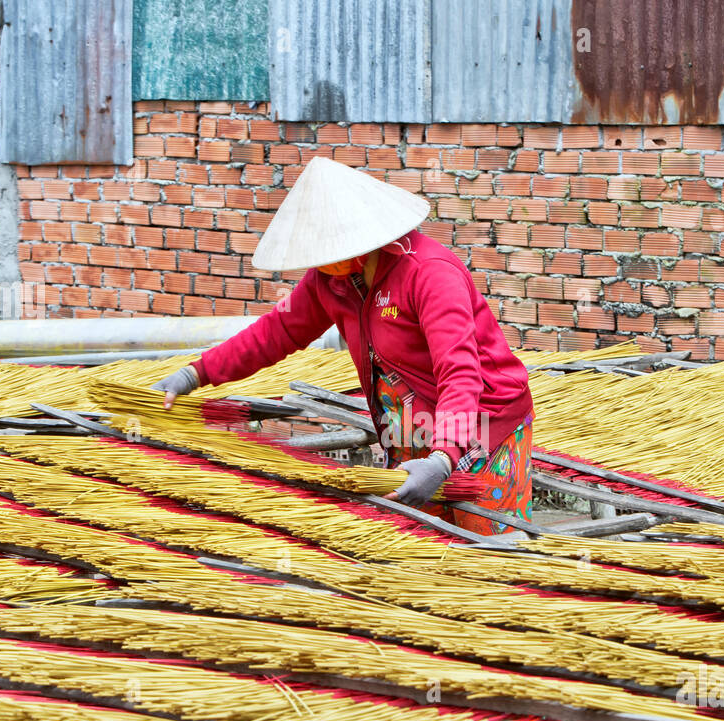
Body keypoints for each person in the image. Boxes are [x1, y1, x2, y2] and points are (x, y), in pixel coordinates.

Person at [151, 156, 534, 535]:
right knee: (424, 544)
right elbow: (276, 331)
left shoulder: (429, 274)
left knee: (489, 550)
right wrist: (195, 373)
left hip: (482, 426)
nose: (318, 260)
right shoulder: (331, 280)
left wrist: (442, 458)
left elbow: (459, 372)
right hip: (411, 428)